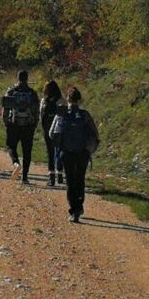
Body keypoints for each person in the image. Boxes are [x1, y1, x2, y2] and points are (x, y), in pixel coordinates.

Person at [49, 86, 99, 223]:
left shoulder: (62, 113)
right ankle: (79, 206)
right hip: (82, 153)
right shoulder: (85, 115)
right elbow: (94, 134)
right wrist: (88, 150)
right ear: (79, 99)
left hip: (67, 152)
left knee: (70, 181)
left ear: (68, 98)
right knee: (80, 179)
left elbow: (52, 134)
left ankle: (73, 211)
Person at [2, 70, 40, 184]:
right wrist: (35, 123)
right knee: (27, 151)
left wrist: (6, 121)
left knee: (11, 146)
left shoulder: (11, 91)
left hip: (14, 124)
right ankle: (25, 177)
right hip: (28, 125)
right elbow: (36, 110)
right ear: (27, 78)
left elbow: (6, 109)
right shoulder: (32, 93)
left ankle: (16, 163)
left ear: (17, 78)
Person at [40, 80, 66, 187]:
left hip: (47, 129)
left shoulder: (44, 101)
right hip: (59, 130)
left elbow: (41, 115)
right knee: (59, 151)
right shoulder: (61, 101)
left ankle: (51, 177)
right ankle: (60, 173)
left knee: (50, 152)